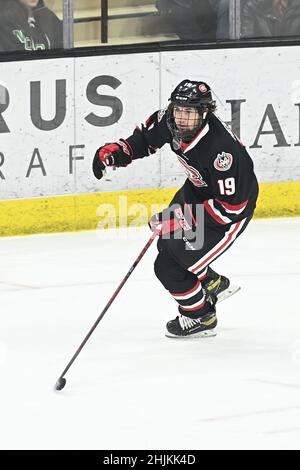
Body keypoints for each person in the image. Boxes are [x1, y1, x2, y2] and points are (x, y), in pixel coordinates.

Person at [92, 79, 259, 338]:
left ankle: (201, 316)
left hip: (226, 215)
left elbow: (231, 209)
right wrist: (116, 152)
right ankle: (211, 283)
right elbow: (144, 140)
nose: (182, 118)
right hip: (197, 191)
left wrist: (179, 219)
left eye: (190, 112)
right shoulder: (169, 120)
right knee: (167, 243)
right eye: (179, 109)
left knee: (169, 267)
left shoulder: (221, 152)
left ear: (205, 113)